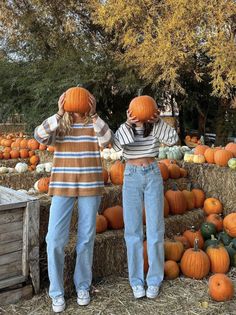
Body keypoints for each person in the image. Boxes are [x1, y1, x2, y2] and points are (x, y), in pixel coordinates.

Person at [34, 92, 112, 313]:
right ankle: (57, 292)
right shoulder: (60, 125)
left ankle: (83, 286)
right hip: (62, 185)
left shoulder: (93, 125)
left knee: (86, 238)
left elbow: (107, 141)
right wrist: (58, 114)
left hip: (90, 185)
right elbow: (39, 136)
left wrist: (95, 115)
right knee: (55, 239)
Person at [112, 99, 179, 299]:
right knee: (132, 231)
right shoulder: (126, 128)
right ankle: (136, 281)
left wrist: (158, 122)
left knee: (155, 230)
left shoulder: (155, 127)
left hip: (152, 174)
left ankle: (154, 280)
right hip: (131, 175)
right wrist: (128, 123)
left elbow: (173, 139)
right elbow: (116, 145)